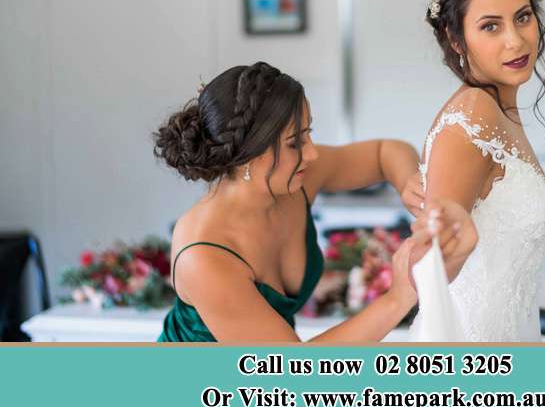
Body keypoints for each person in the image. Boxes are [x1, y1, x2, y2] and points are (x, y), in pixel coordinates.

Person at [153, 61, 477, 342]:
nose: (313, 153)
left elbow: (385, 153)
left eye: (309, 133)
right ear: (246, 156)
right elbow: (292, 370)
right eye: (295, 143)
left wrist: (414, 188)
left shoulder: (296, 179)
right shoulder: (204, 256)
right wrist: (399, 297)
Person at [411, 0, 545, 341]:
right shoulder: (474, 115)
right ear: (456, 39)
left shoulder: (497, 109)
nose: (516, 41)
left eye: (523, 17)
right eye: (490, 26)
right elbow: (430, 266)